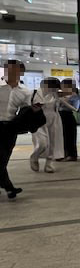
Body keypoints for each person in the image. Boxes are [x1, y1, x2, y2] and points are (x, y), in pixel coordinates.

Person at [0, 60, 31, 199]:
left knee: (4, 159)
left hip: (10, 128)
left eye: (14, 70)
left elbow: (26, 111)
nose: (10, 73)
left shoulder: (25, 91)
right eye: (8, 70)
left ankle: (7, 187)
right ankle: (9, 187)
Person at [31, 78, 76, 173]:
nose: (56, 90)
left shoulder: (55, 94)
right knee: (43, 143)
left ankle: (49, 164)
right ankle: (34, 157)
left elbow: (68, 98)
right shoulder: (35, 93)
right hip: (39, 120)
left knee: (53, 143)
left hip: (54, 119)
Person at [58, 78, 80, 161]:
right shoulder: (62, 96)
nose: (62, 89)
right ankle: (63, 154)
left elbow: (75, 108)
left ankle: (72, 155)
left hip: (68, 117)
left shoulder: (75, 97)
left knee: (70, 136)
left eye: (64, 86)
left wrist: (63, 102)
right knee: (62, 137)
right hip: (60, 117)